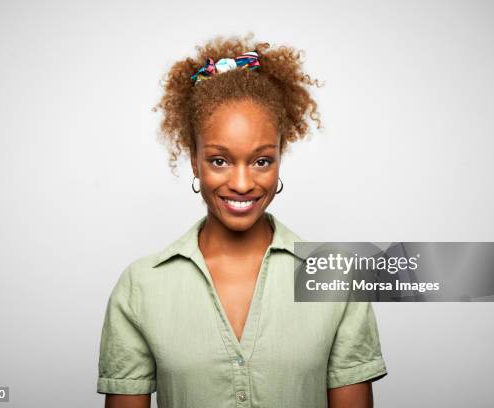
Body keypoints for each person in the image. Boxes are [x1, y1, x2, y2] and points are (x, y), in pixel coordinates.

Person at [96, 33, 387, 408]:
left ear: (280, 157)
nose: (242, 183)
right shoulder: (140, 286)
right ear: (194, 160)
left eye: (262, 160)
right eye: (219, 160)